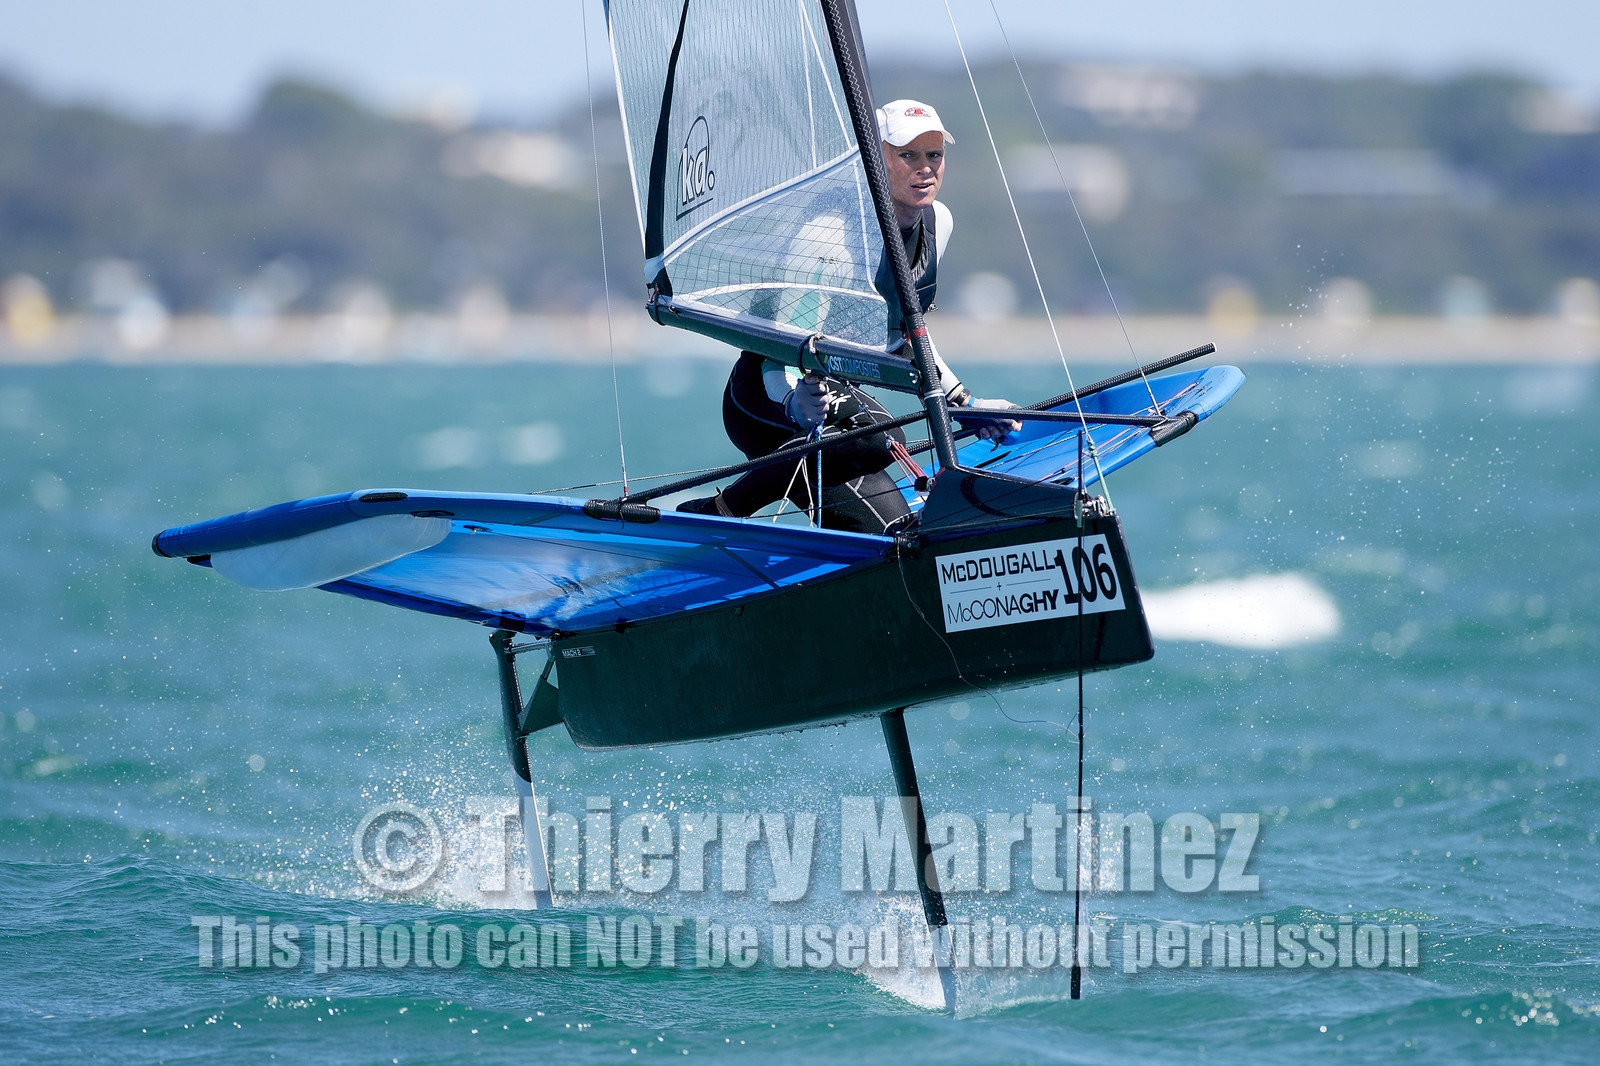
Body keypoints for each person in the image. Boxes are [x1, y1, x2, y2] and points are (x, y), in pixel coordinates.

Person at [678, 99, 1020, 532]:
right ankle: (719, 513)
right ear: (875, 158)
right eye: (907, 155)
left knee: (893, 518)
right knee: (882, 438)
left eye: (934, 155)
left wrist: (965, 404)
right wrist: (792, 405)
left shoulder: (937, 224)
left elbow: (905, 335)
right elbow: (781, 349)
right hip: (768, 395)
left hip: (835, 404)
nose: (925, 168)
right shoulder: (826, 234)